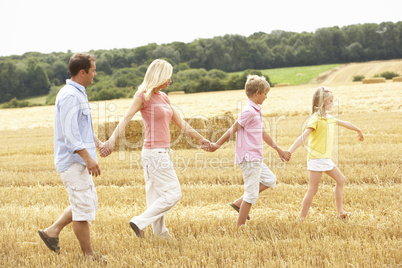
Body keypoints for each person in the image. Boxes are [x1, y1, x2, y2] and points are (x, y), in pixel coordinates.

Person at [100, 59, 210, 238]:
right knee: (174, 193)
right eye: (168, 77)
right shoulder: (143, 96)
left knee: (157, 197)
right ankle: (139, 221)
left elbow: (181, 123)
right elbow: (126, 119)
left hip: (161, 153)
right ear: (159, 75)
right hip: (154, 154)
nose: (170, 81)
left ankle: (160, 235)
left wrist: (202, 139)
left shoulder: (164, 97)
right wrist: (111, 141)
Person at [38, 53, 105, 262]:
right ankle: (89, 256)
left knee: (86, 203)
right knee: (83, 210)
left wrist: (98, 144)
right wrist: (88, 158)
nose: (95, 74)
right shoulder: (70, 95)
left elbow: (81, 127)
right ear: (83, 72)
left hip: (79, 160)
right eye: (93, 70)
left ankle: (52, 231)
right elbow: (70, 133)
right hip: (73, 161)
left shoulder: (79, 93)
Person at [206, 75, 291, 227]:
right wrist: (217, 145)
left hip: (255, 157)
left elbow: (262, 133)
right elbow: (234, 128)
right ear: (257, 93)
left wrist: (279, 149)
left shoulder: (255, 110)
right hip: (249, 158)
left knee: (270, 180)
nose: (266, 97)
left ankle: (239, 204)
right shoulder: (249, 111)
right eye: (265, 93)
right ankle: (240, 227)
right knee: (251, 195)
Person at [288, 86, 364, 220]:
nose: (333, 103)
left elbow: (345, 123)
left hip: (325, 158)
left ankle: (341, 212)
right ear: (323, 102)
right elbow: (303, 137)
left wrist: (358, 130)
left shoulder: (329, 118)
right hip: (316, 159)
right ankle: (301, 218)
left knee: (341, 180)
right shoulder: (315, 119)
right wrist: (289, 151)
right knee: (313, 189)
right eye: (330, 101)